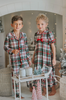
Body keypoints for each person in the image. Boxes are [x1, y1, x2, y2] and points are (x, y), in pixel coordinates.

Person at [4, 15, 32, 98]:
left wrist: (29, 59)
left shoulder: (24, 35)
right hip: (15, 61)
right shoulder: (9, 35)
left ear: (22, 25)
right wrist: (12, 51)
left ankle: (30, 87)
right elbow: (5, 47)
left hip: (24, 60)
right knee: (16, 76)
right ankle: (17, 93)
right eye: (16, 24)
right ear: (12, 25)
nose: (17, 26)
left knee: (28, 74)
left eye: (19, 24)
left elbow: (26, 48)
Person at [31, 13, 56, 96]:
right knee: (39, 74)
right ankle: (44, 90)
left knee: (49, 73)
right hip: (38, 59)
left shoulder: (49, 33)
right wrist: (33, 57)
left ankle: (53, 89)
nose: (40, 26)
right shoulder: (36, 34)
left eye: (42, 24)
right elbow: (36, 47)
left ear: (46, 24)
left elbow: (53, 47)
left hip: (47, 58)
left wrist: (54, 58)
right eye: (38, 24)